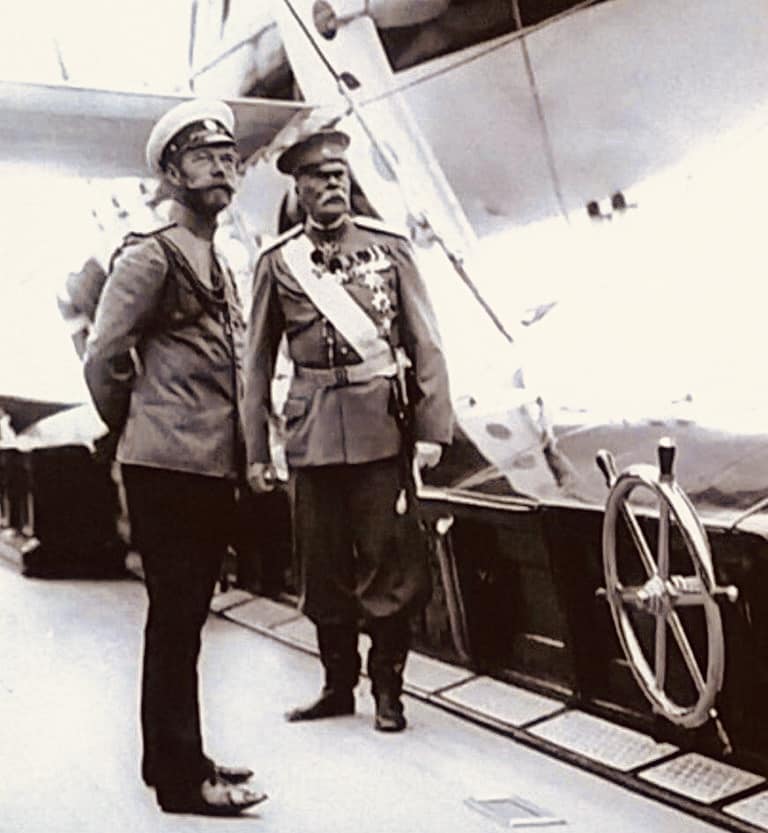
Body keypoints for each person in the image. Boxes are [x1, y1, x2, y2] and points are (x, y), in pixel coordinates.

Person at [83, 99, 265, 815]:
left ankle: (174, 755)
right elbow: (104, 354)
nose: (221, 168)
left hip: (207, 465)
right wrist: (137, 424)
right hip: (167, 467)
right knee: (177, 618)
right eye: (203, 158)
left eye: (228, 158)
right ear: (172, 173)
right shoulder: (151, 254)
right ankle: (182, 781)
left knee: (185, 619)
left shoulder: (216, 257)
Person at [244, 129, 453, 732]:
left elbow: (426, 342)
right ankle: (338, 686)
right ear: (299, 188)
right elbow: (256, 362)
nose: (332, 184)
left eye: (338, 174)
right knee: (322, 567)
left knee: (389, 567)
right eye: (319, 177)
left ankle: (389, 691)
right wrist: (257, 449)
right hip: (310, 433)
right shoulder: (278, 262)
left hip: (380, 431)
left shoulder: (390, 248)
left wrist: (433, 429)